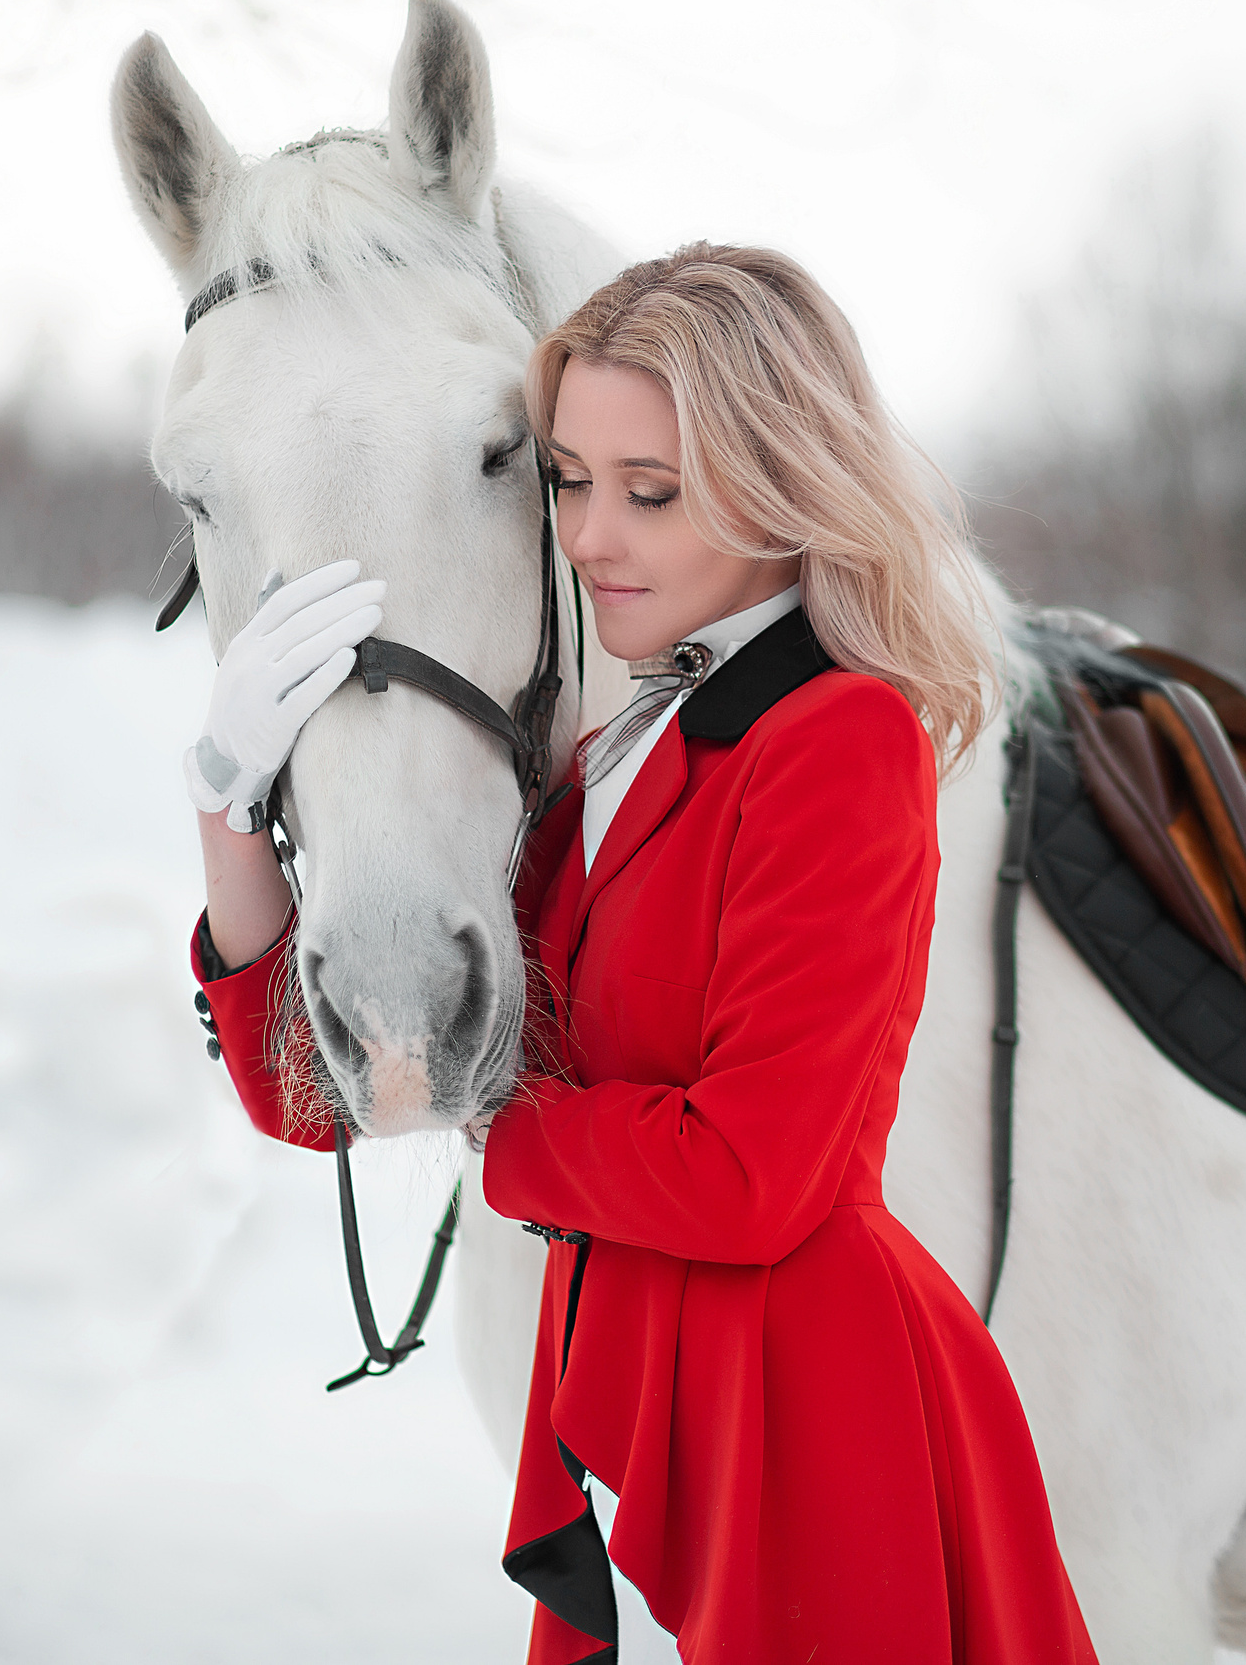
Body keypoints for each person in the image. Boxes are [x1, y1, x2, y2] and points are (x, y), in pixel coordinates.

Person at [187, 244, 1097, 1664]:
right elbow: (328, 1096)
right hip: (630, 1411)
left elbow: (754, 1177)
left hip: (801, 1422)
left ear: (785, 481)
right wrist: (230, 804)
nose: (590, 536)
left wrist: (505, 1142)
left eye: (649, 493)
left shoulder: (839, 742)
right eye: (567, 482)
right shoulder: (615, 747)